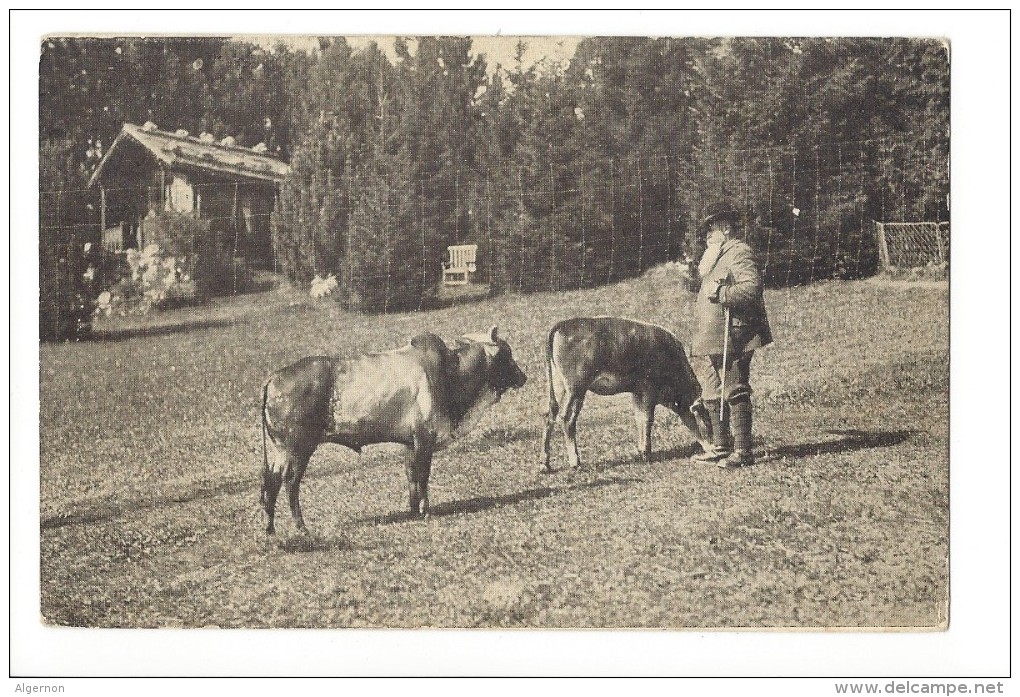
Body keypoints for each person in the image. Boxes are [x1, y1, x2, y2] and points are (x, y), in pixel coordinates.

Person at [684, 204, 772, 468]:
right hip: (712, 336)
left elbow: (752, 288)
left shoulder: (738, 252)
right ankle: (721, 446)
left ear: (725, 228)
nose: (708, 234)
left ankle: (744, 451)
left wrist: (722, 294)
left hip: (735, 332)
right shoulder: (714, 256)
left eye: (712, 228)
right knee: (712, 387)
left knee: (735, 387)